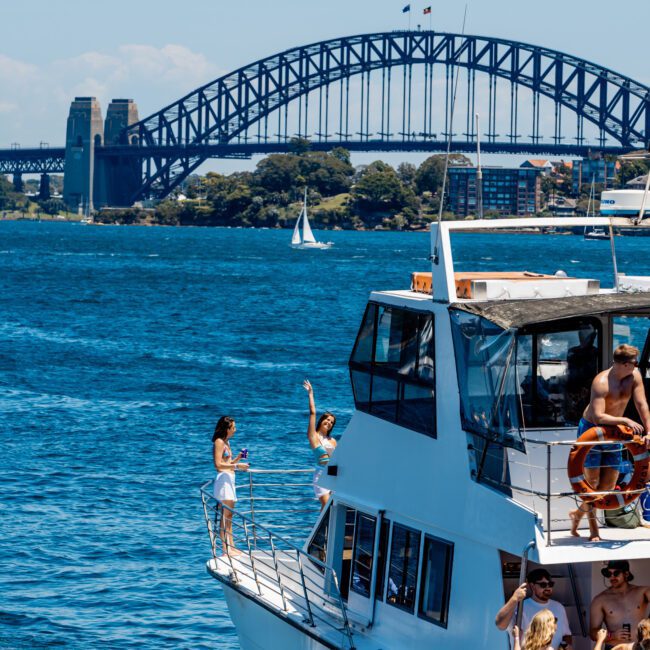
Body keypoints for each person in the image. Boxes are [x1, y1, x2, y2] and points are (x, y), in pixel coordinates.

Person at [569, 344, 650, 541]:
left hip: (614, 433)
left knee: (607, 486)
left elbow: (641, 404)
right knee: (593, 483)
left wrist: (649, 431)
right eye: (634, 363)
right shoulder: (602, 382)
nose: (636, 366)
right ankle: (593, 529)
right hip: (592, 429)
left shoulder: (634, 376)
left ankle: (577, 514)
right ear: (623, 364)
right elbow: (597, 416)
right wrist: (625, 420)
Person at [495, 568, 572, 649]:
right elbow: (500, 624)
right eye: (543, 585)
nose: (548, 588)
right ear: (532, 586)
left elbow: (566, 635)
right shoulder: (520, 607)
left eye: (550, 584)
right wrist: (514, 599)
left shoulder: (559, 607)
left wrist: (566, 646)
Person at [590, 561, 650, 648]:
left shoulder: (642, 592)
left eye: (616, 573)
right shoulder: (600, 600)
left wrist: (647, 625)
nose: (612, 577)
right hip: (615, 647)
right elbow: (593, 633)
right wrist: (613, 635)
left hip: (639, 646)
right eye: (608, 574)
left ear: (626, 574)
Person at [212, 416, 249, 556]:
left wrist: (238, 459)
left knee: (229, 516)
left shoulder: (227, 442)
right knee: (224, 515)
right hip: (223, 480)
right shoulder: (219, 442)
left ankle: (231, 546)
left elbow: (226, 462)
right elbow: (218, 465)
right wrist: (236, 465)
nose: (235, 430)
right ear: (226, 429)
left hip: (230, 478)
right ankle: (225, 548)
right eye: (233, 427)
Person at [303, 379, 336, 510]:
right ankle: (322, 530)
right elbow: (312, 413)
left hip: (333, 475)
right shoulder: (313, 436)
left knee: (331, 507)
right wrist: (311, 394)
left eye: (332, 422)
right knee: (327, 504)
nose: (329, 423)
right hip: (321, 475)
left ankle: (326, 530)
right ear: (322, 421)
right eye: (327, 420)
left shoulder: (333, 440)